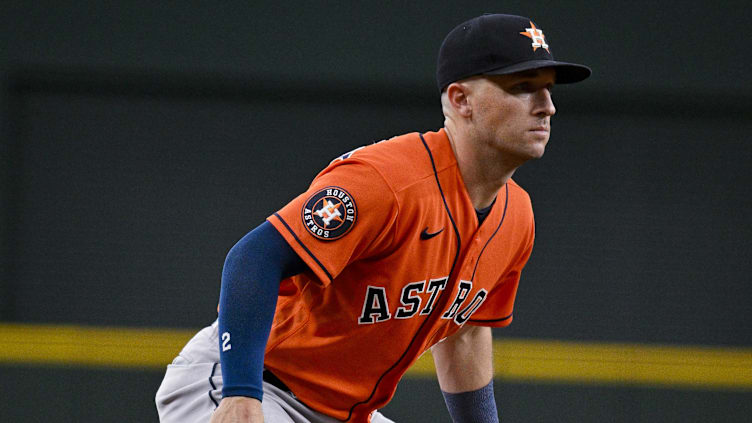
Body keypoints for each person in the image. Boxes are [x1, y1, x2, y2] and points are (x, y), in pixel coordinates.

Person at [155, 13, 590, 423]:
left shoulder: (517, 217)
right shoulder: (388, 181)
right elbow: (252, 258)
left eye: (549, 89)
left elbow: (465, 333)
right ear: (461, 100)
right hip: (253, 382)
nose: (546, 106)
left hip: (345, 412)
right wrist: (240, 394)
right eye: (523, 86)